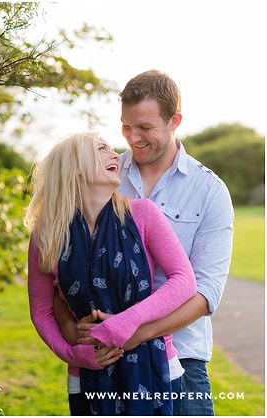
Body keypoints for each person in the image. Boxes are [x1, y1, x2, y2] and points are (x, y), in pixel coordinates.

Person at [56, 70, 234, 416]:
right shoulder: (100, 176)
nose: (132, 138)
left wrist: (137, 332)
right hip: (105, 357)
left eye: (145, 128)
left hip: (182, 358)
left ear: (174, 121)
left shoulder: (210, 191)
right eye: (126, 126)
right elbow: (58, 271)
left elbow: (205, 292)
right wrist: (69, 329)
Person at [26, 132, 196, 415]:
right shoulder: (46, 235)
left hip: (157, 367)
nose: (115, 155)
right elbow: (41, 311)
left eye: (111, 149)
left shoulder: (142, 214)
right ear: (74, 167)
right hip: (85, 376)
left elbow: (184, 280)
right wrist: (73, 355)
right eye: (101, 149)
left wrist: (126, 323)